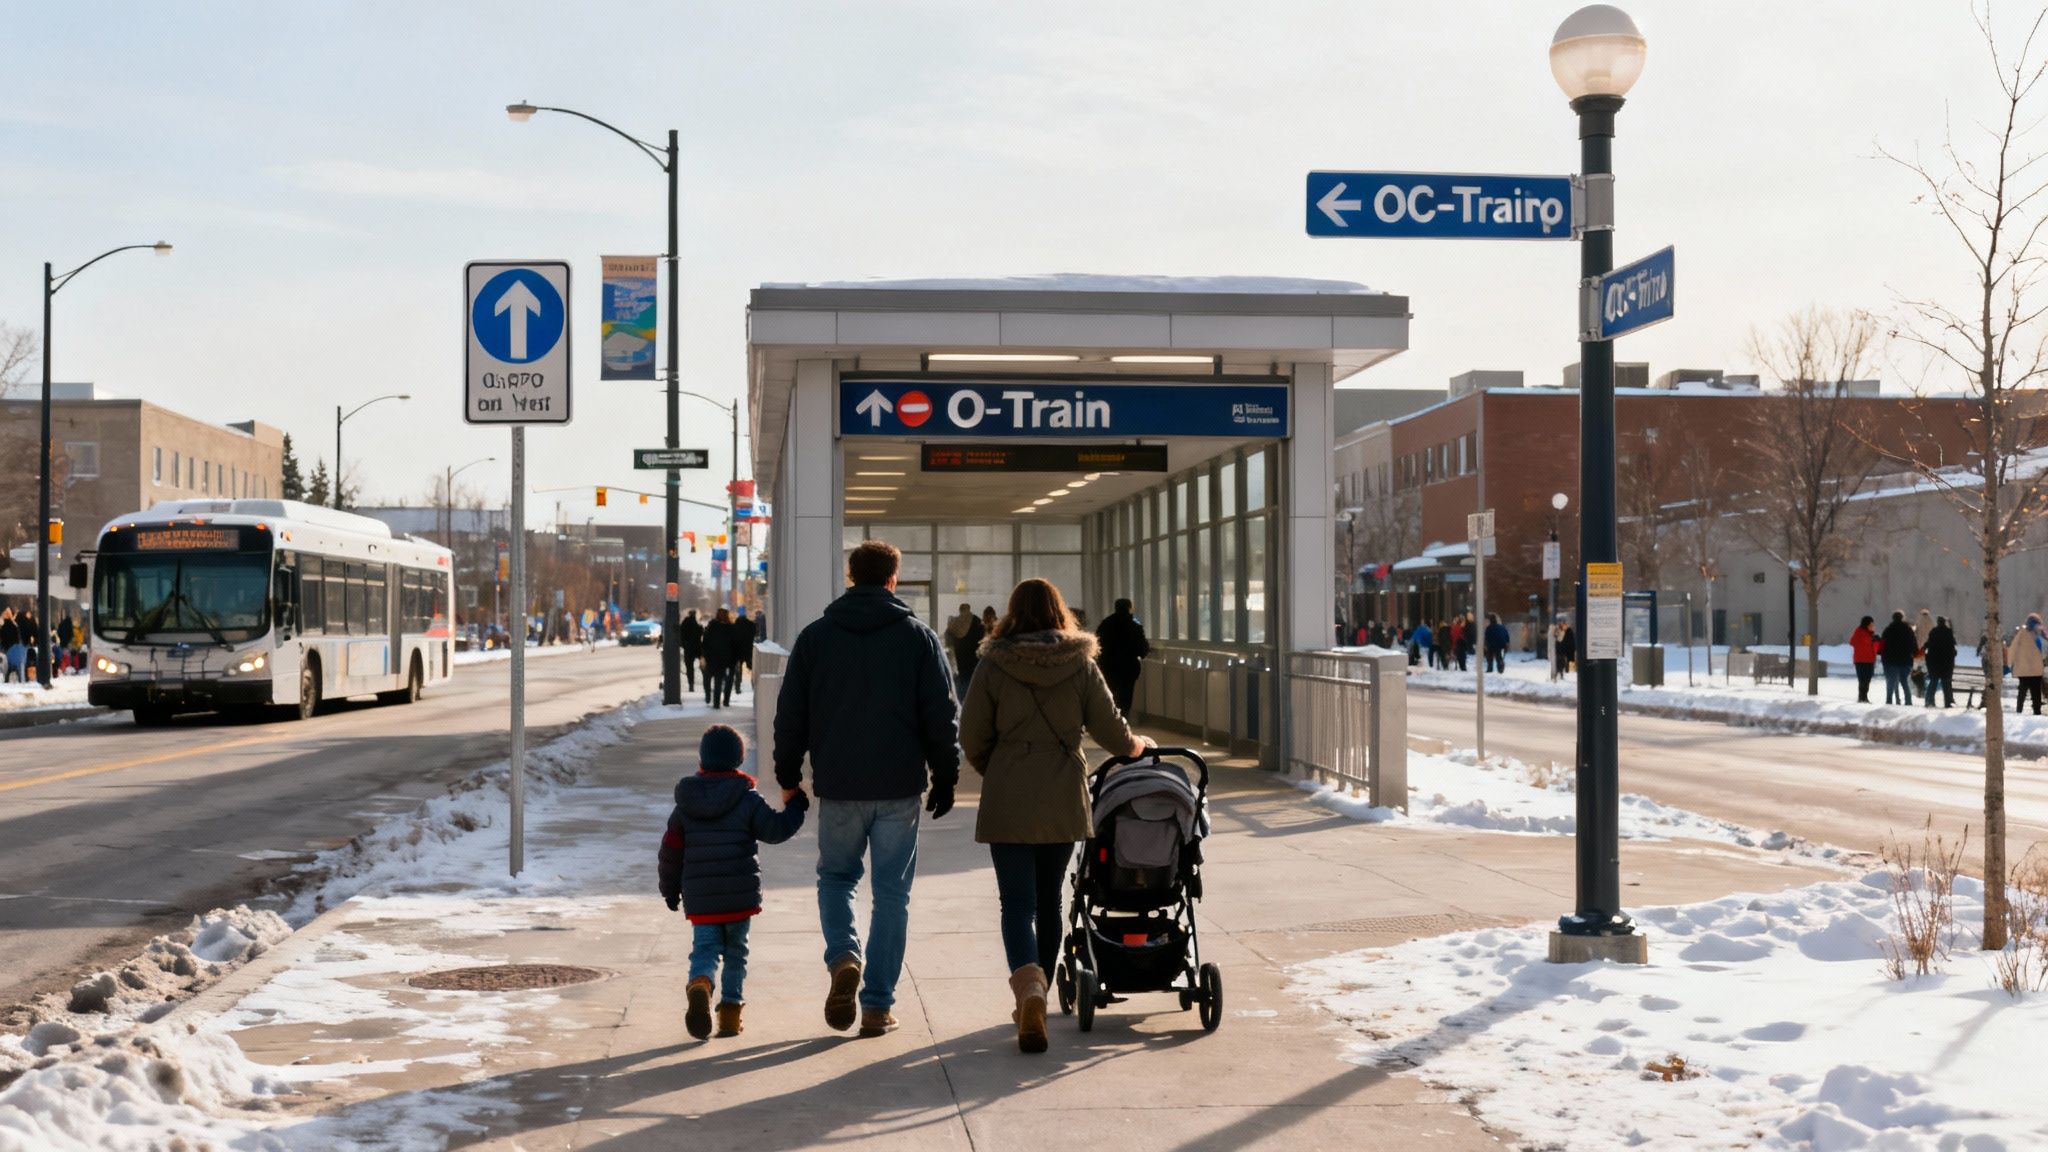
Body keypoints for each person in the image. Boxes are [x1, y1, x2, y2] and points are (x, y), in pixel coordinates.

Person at [773, 539, 961, 1038]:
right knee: (892, 894)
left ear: (851, 577)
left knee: (836, 878)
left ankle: (843, 958)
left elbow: (790, 715)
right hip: (898, 787)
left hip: (839, 784)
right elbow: (942, 715)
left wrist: (788, 776)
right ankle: (877, 1007)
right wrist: (946, 774)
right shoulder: (918, 639)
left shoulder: (815, 638)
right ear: (893, 579)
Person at [960, 578, 1149, 1054]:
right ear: (1059, 611)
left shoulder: (993, 662)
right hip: (1063, 787)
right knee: (1049, 901)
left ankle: (1030, 993)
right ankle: (1040, 990)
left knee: (1015, 905)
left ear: (1012, 612)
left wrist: (999, 766)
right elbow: (1110, 728)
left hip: (1009, 792)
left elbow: (971, 733)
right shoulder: (1081, 663)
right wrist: (1136, 747)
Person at [658, 724, 810, 1040]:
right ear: (738, 760)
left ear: (702, 760)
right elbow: (776, 830)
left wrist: (670, 890)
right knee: (736, 953)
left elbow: (670, 851)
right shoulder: (747, 799)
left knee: (705, 948)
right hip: (739, 897)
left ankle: (700, 982)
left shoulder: (685, 805)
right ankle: (729, 1015)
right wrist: (796, 806)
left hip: (702, 898)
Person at [1093, 597, 1151, 716]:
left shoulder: (1106, 623)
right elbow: (1142, 649)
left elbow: (1097, 644)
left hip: (1108, 665)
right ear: (1129, 608)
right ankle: (1123, 720)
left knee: (1109, 693)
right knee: (1126, 696)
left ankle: (1109, 719)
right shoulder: (1135, 625)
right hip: (1128, 667)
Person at [2008, 613, 2047, 716]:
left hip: (2025, 670)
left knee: (2022, 692)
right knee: (2036, 694)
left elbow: (2013, 648)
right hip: (2035, 670)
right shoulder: (2040, 634)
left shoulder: (2023, 633)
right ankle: (2036, 713)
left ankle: (2019, 711)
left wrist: (2009, 663)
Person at [702, 608, 739, 709]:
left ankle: (709, 696)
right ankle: (716, 703)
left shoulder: (711, 626)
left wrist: (705, 655)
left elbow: (705, 642)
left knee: (708, 679)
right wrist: (732, 661)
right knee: (718, 682)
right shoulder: (730, 628)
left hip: (712, 659)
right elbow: (735, 645)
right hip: (723, 660)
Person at [1879, 610, 1919, 706]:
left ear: (1893, 618)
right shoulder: (1909, 630)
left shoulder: (1888, 630)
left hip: (1890, 661)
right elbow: (1914, 645)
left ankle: (1889, 701)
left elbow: (1882, 646)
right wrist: (1913, 653)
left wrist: (1883, 656)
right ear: (1902, 618)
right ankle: (1908, 701)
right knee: (1904, 681)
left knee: (1891, 682)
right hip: (1906, 661)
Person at [944, 604, 984, 689]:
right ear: (969, 609)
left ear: (960, 610)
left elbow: (948, 642)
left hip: (960, 665)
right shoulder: (978, 622)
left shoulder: (953, 624)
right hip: (974, 665)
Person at [1924, 615, 1958, 709]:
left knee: (1933, 682)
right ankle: (1948, 702)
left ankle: (1929, 701)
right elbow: (1953, 647)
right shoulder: (1948, 632)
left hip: (1934, 663)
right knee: (1946, 684)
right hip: (1946, 663)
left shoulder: (1933, 632)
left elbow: (1928, 645)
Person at [1850, 616, 1880, 704]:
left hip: (1869, 660)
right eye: (1871, 624)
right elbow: (1854, 642)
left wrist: (1876, 641)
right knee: (1863, 679)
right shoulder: (1860, 632)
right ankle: (1862, 697)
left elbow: (1874, 648)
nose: (1872, 626)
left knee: (1867, 679)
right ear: (1866, 625)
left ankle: (1864, 697)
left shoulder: (1870, 634)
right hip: (1861, 660)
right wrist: (1873, 640)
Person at [677, 609, 705, 692]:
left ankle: (691, 684)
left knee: (689, 667)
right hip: (697, 648)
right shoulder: (697, 625)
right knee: (703, 666)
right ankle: (705, 680)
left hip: (688, 648)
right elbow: (700, 634)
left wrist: (683, 644)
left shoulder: (685, 624)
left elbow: (681, 635)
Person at [734, 608, 758, 695]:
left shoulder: (735, 625)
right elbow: (756, 633)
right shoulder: (750, 625)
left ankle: (737, 686)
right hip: (748, 650)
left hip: (737, 651)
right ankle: (754, 685)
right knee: (753, 668)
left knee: (738, 670)